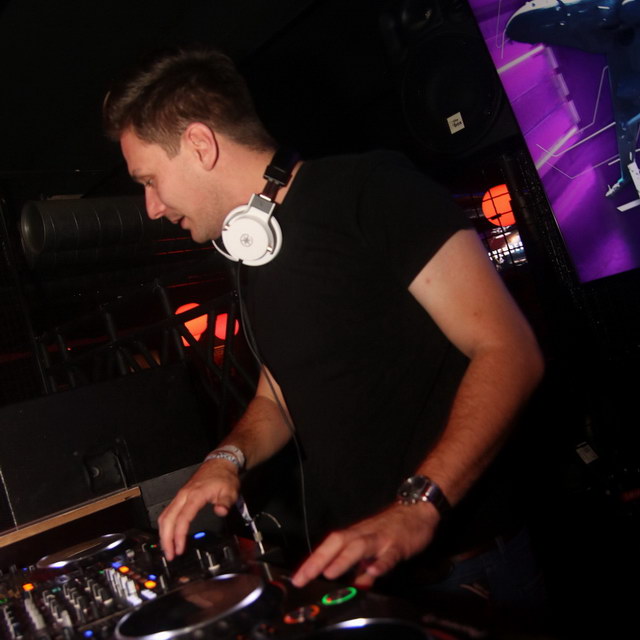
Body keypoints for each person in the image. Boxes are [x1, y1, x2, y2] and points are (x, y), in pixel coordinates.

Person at [103, 46, 545, 615]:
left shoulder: (370, 191)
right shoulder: (257, 252)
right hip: (371, 580)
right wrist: (226, 458)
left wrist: (417, 507)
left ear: (199, 145)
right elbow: (278, 395)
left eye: (150, 180)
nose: (151, 207)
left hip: (465, 572)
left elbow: (509, 350)